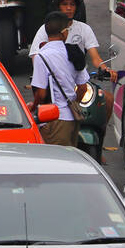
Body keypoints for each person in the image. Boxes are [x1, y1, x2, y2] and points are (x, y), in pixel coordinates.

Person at [30, 11, 90, 147]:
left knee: (55, 163)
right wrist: (73, 103)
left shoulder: (41, 56)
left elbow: (41, 93)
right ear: (64, 33)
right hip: (73, 118)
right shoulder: (74, 53)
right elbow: (83, 88)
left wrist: (33, 107)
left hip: (54, 120)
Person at [29, 0, 116, 79]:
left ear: (77, 8)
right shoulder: (46, 28)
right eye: (64, 4)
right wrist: (42, 76)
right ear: (57, 7)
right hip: (54, 79)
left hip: (80, 78)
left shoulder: (84, 28)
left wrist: (106, 70)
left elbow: (95, 58)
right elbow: (36, 56)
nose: (69, 8)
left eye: (72, 4)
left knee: (103, 93)